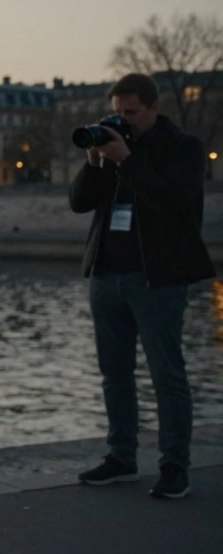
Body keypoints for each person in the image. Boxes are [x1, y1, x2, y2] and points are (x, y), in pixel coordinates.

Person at [68, 72, 215, 499]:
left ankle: (174, 467)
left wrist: (128, 160)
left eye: (131, 113)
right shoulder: (112, 150)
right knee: (114, 374)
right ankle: (122, 458)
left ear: (153, 108)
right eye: (117, 114)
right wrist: (96, 162)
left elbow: (173, 200)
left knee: (167, 375)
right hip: (107, 276)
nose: (124, 121)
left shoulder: (182, 148)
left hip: (158, 279)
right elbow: (79, 202)